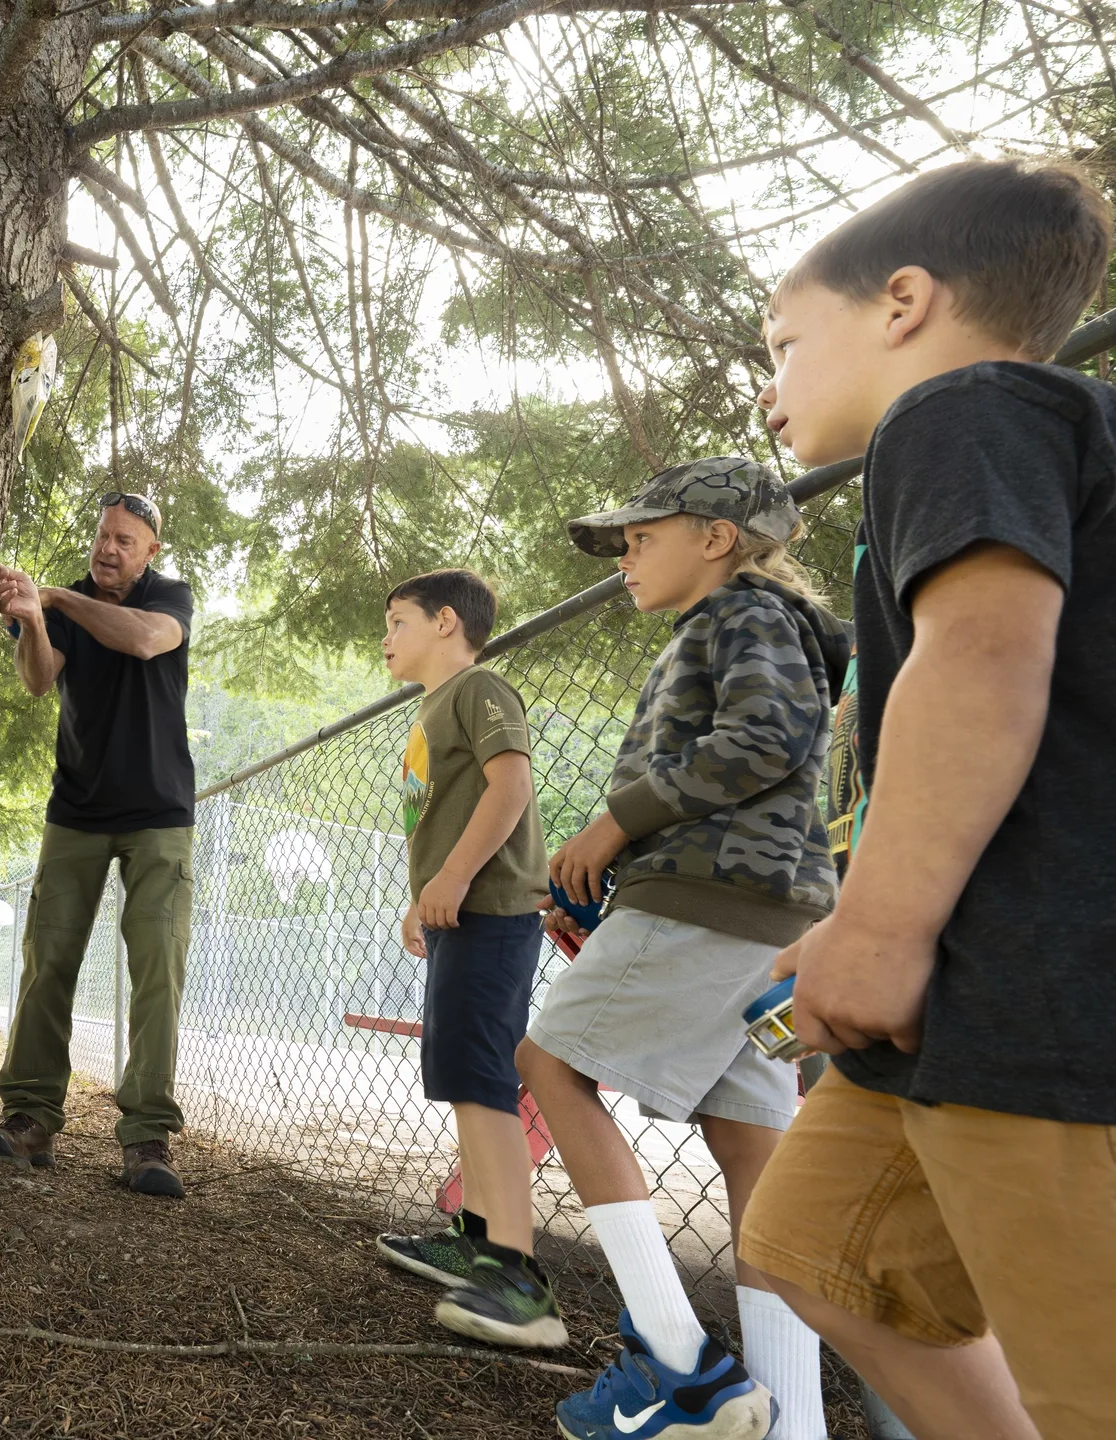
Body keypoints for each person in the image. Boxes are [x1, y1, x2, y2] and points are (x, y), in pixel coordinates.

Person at [741, 157, 1116, 1440]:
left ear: (903, 300)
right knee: (819, 1245)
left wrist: (885, 927)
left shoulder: (959, 410)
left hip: (1046, 1007)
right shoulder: (1017, 434)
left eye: (785, 344)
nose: (771, 387)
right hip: (965, 993)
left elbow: (985, 654)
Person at [507, 458, 849, 1440]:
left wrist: (614, 828)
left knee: (551, 1065)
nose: (624, 556)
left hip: (718, 903)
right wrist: (616, 887)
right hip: (748, 911)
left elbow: (765, 740)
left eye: (641, 536)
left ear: (717, 538)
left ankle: (681, 1363)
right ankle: (789, 1427)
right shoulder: (725, 625)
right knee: (751, 1152)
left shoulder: (745, 612)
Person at [0, 492, 197, 1198]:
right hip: (76, 810)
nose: (108, 549)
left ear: (151, 550)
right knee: (49, 960)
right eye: (103, 536)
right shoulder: (63, 602)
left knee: (157, 966)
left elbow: (143, 640)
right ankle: (30, 1118)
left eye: (125, 540)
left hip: (160, 814)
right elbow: (40, 680)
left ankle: (146, 1138)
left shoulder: (171, 598)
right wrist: (35, 619)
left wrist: (60, 605)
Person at [367, 570, 565, 1349]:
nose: (386, 637)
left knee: (483, 1080)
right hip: (457, 915)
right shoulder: (431, 708)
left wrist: (452, 878)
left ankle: (518, 1279)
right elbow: (442, 821)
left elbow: (510, 785)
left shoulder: (481, 689)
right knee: (460, 1077)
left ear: (446, 622)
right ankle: (478, 1241)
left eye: (397, 620)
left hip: (492, 912)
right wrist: (424, 896)